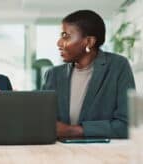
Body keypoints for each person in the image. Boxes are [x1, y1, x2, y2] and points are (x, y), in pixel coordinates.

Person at [42, 10, 135, 139]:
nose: (59, 43)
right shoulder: (53, 74)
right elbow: (42, 122)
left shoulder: (117, 66)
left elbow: (127, 125)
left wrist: (73, 131)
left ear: (89, 42)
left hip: (103, 155)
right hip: (60, 154)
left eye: (66, 36)